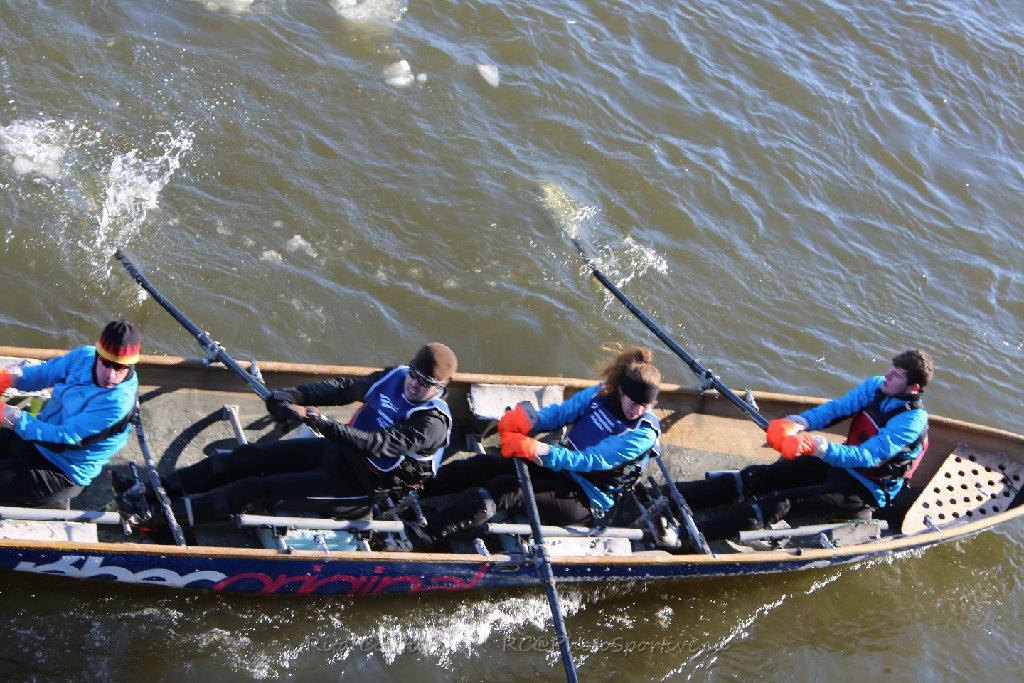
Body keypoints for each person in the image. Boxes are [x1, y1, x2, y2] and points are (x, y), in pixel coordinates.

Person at [133, 342, 457, 526]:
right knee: (244, 459)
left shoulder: (432, 424)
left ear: (442, 387)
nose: (414, 384)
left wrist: (319, 421)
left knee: (253, 489)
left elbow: (376, 445)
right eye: (414, 375)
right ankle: (151, 492)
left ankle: (157, 520)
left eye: (425, 383)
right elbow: (344, 388)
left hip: (359, 488)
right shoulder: (396, 376)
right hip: (334, 452)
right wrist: (295, 395)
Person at [676, 349, 934, 541]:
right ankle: (674, 497)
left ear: (913, 387)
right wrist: (797, 423)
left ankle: (689, 535)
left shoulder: (911, 421)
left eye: (896, 375)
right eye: (891, 369)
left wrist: (818, 447)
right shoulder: (877, 387)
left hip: (865, 490)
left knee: (780, 501)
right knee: (759, 476)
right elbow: (836, 409)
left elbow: (868, 456)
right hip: (838, 466)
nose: (887, 376)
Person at [418, 345, 662, 541]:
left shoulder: (643, 434)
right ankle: (415, 490)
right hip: (561, 470)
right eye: (633, 402)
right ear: (620, 391)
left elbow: (590, 460)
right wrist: (529, 421)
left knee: (506, 490)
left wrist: (539, 450)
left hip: (587, 497)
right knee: (482, 465)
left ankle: (426, 533)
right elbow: (561, 413)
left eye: (645, 405)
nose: (637, 411)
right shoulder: (600, 393)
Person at [0, 320, 141, 507]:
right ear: (97, 355)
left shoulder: (118, 403)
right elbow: (44, 373)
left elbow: (64, 440)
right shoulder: (83, 357)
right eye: (106, 363)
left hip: (62, 470)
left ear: (130, 366)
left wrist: (11, 416)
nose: (110, 375)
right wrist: (9, 378)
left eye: (119, 367)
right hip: (36, 439)